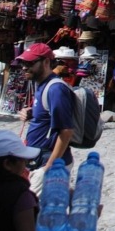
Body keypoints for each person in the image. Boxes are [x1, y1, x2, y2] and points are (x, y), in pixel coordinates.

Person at [16, 42, 76, 194]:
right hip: (39, 160)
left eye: (29, 63)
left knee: (36, 214)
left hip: (49, 163)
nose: (24, 67)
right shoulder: (42, 85)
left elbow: (66, 131)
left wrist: (49, 167)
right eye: (23, 62)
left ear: (46, 62)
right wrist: (31, 113)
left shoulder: (56, 89)